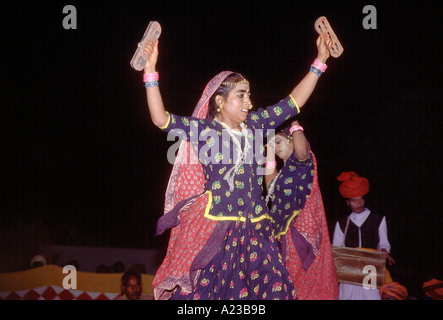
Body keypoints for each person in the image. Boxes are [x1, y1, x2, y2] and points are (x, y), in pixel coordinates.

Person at [142, 31, 333, 300]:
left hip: (257, 229)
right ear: (219, 101)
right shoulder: (204, 131)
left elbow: (294, 103)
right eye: (241, 96)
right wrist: (150, 71)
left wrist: (320, 61)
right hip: (217, 231)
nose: (249, 102)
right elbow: (160, 119)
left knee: (276, 292)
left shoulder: (256, 125)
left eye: (249, 96)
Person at [264, 121, 338, 299]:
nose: (276, 148)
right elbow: (270, 186)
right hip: (285, 233)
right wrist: (267, 150)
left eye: (279, 142)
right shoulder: (284, 174)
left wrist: (295, 126)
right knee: (288, 279)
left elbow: (302, 151)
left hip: (303, 233)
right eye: (273, 146)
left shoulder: (303, 163)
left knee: (306, 276)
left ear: (291, 140)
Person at [332, 171, 395, 300]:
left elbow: (384, 243)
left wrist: (384, 251)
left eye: (361, 199)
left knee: (370, 296)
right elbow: (336, 248)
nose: (358, 203)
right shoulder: (342, 223)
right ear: (348, 203)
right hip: (349, 269)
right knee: (348, 296)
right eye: (354, 201)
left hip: (370, 267)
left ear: (364, 199)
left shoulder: (378, 220)